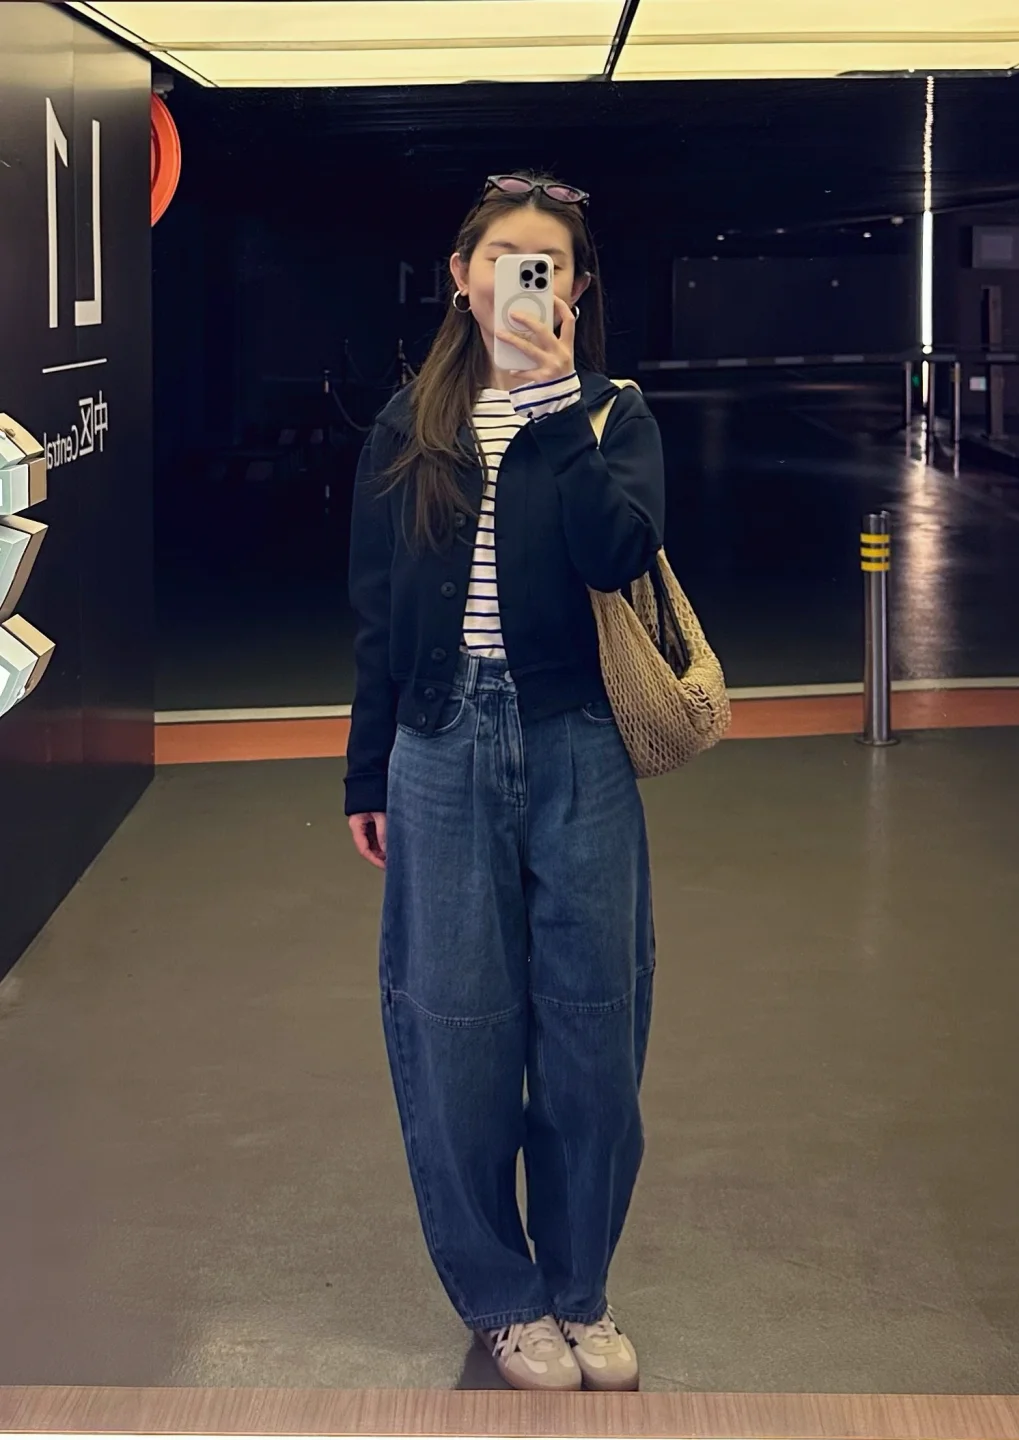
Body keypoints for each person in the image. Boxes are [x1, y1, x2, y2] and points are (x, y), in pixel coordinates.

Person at [344, 172, 665, 1393]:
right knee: (457, 1028)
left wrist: (555, 404)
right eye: (502, 259)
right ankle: (504, 1297)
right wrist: (366, 767)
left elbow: (618, 551)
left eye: (548, 264)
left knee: (594, 1026)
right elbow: (378, 611)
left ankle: (580, 1288)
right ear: (461, 276)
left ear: (576, 289)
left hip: (579, 739)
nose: (522, 280)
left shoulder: (613, 413)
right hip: (439, 741)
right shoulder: (409, 422)